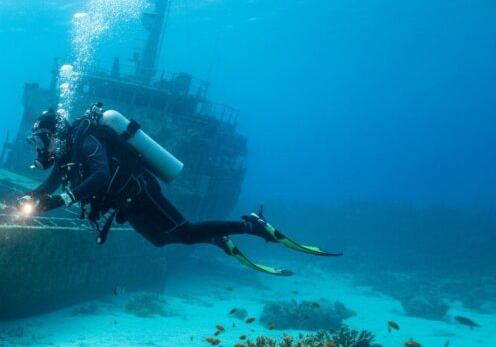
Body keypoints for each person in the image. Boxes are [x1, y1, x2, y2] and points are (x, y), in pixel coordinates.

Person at [17, 106, 340, 275]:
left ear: (55, 133)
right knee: (160, 240)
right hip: (125, 204)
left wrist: (62, 200)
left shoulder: (85, 141)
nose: (40, 148)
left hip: (141, 192)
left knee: (184, 232)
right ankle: (214, 237)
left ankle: (251, 225)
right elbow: (51, 184)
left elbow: (101, 175)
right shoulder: (66, 156)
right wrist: (32, 198)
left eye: (41, 140)